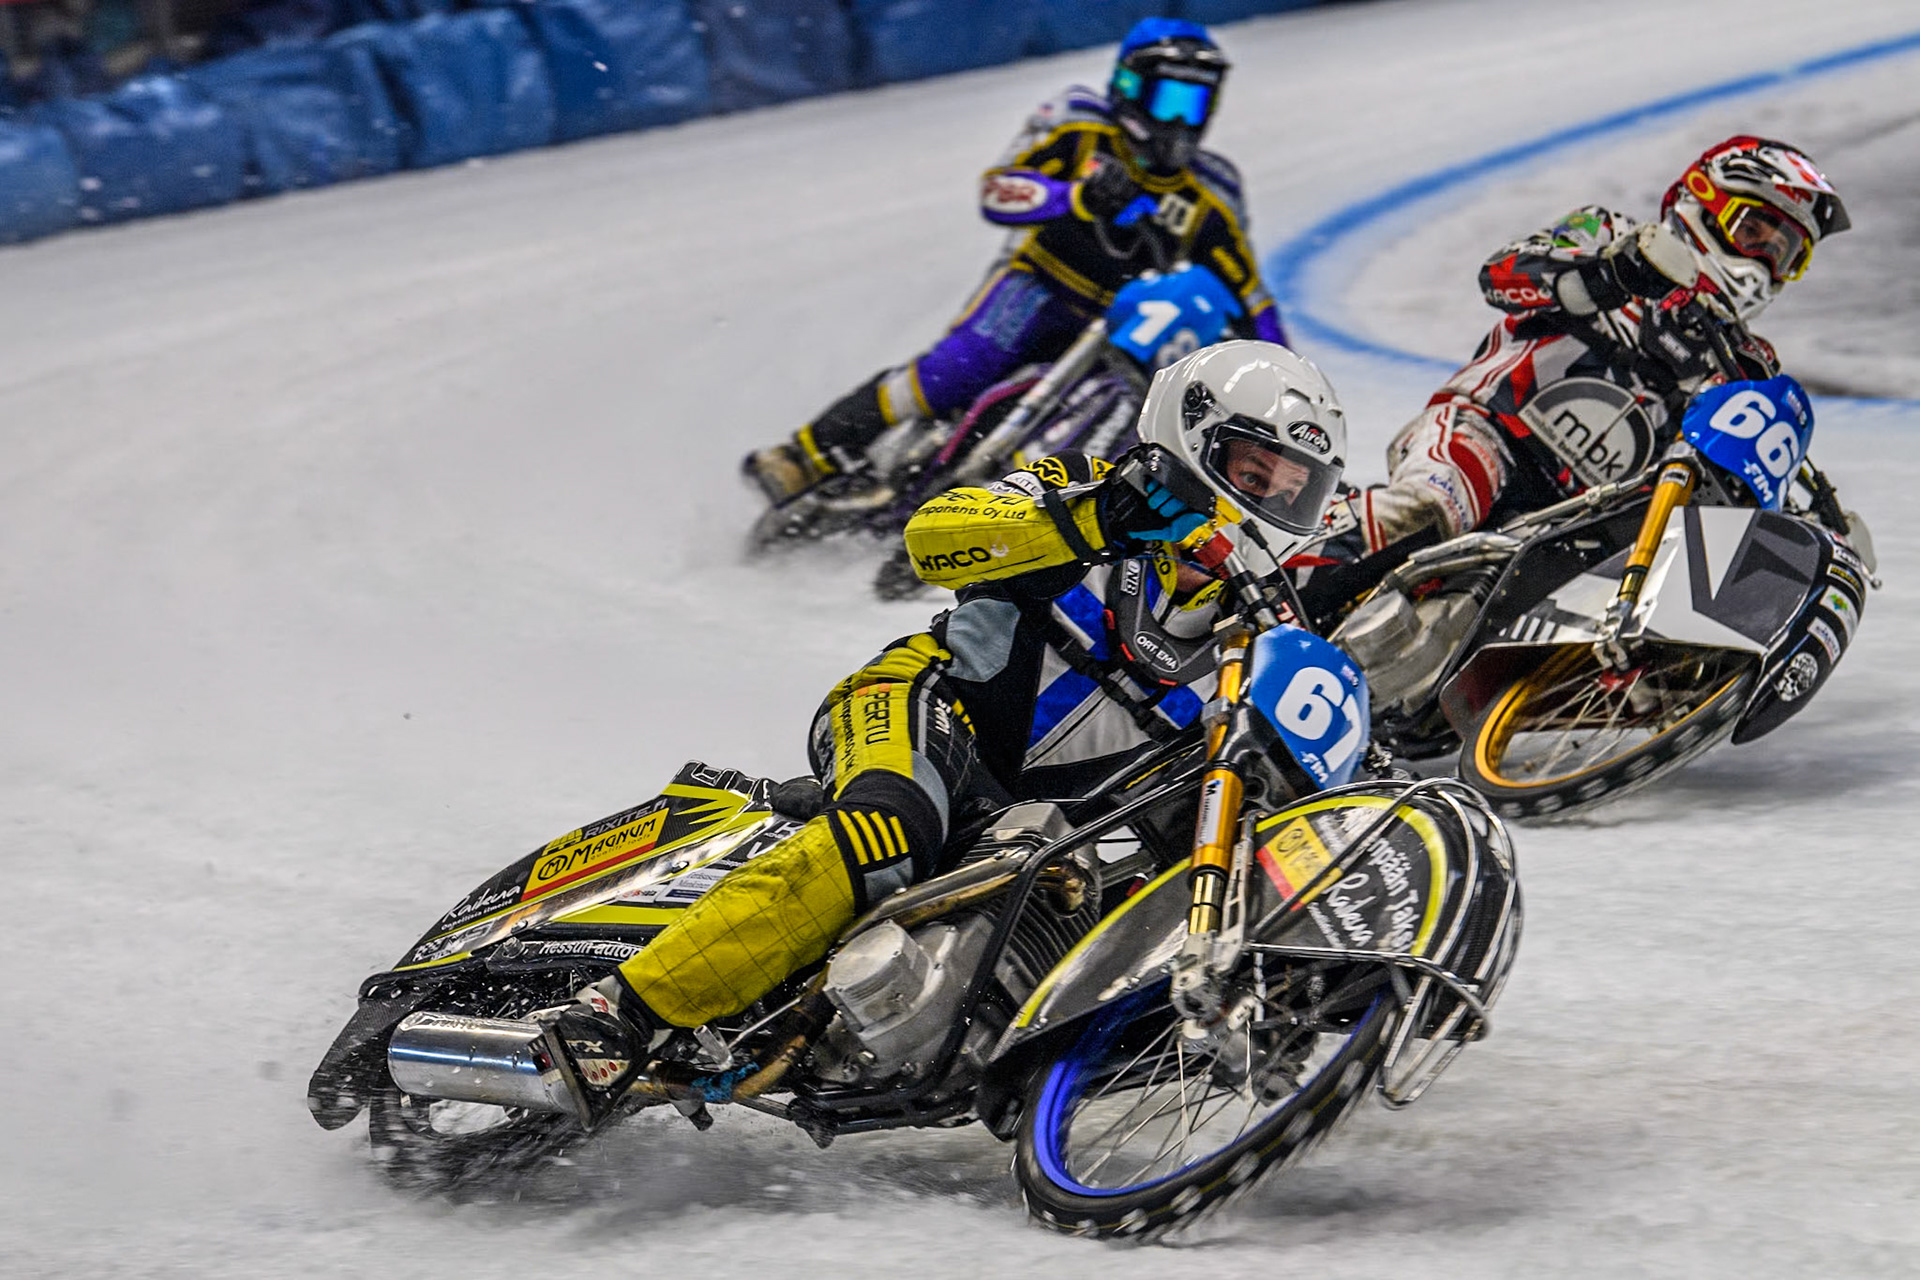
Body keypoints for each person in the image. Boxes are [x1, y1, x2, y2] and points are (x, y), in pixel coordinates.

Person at [551, 341, 1348, 1100]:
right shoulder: (1082, 483)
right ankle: (616, 1016)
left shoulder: (1258, 637)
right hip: (924, 707)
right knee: (887, 834)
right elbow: (932, 540)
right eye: (1254, 471)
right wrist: (1093, 520)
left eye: (1292, 490)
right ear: (1193, 434)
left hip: (1033, 827)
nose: (1270, 502)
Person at [742, 17, 1288, 510]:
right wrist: (1076, 197)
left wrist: (1277, 382)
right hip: (1040, 286)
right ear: (1129, 89)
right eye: (1169, 100)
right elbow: (999, 191)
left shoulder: (1213, 190)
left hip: (1124, 327)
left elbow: (1249, 293)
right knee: (951, 373)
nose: (1179, 122)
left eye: (1194, 104)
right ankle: (804, 455)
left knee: (1138, 421)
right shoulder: (1078, 123)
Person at [1339, 135, 1850, 557]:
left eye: (1784, 253)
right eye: (1754, 230)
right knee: (1427, 511)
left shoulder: (1745, 364)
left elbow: (1736, 498)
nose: (1763, 260)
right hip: (1488, 434)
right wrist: (1607, 275)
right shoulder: (1610, 233)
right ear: (1703, 200)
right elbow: (1500, 277)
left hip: (1582, 526)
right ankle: (1283, 580)